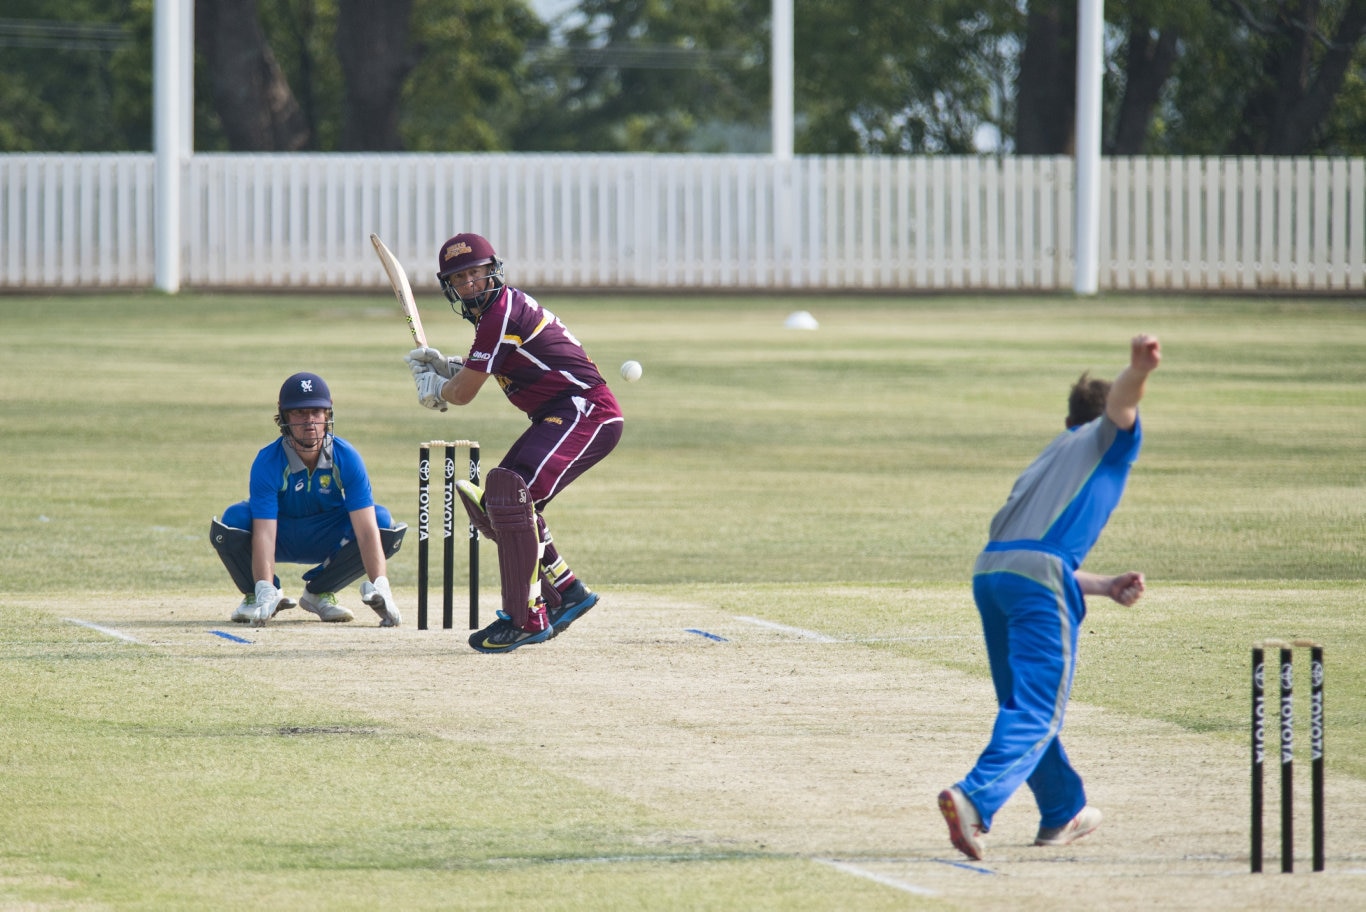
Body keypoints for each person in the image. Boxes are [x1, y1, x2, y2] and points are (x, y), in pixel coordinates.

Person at [938, 334, 1162, 861]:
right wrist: (1139, 368)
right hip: (1036, 577)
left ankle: (1063, 810)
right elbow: (1125, 401)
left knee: (1020, 705)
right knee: (1037, 711)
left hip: (992, 572)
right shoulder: (1110, 436)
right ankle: (973, 798)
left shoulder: (1051, 453)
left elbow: (1035, 554)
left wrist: (1103, 586)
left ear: (1067, 421)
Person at [405, 232, 623, 654]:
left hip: (585, 411)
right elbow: (486, 368)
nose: (469, 284)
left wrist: (438, 390)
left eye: (476, 273)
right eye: (459, 278)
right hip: (561, 414)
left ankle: (527, 618)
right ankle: (567, 592)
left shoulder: (499, 313)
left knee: (509, 496)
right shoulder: (495, 317)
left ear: (493, 272)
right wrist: (448, 368)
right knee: (503, 497)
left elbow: (464, 392)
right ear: (449, 286)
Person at [210, 371, 405, 628]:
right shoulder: (268, 461)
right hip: (282, 534)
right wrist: (265, 588)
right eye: (299, 413)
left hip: (329, 535)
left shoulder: (346, 457)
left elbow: (367, 531)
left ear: (328, 415)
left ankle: (320, 592)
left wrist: (382, 586)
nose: (309, 421)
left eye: (316, 411)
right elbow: (265, 534)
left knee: (382, 523)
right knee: (233, 520)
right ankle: (256, 595)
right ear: (284, 416)